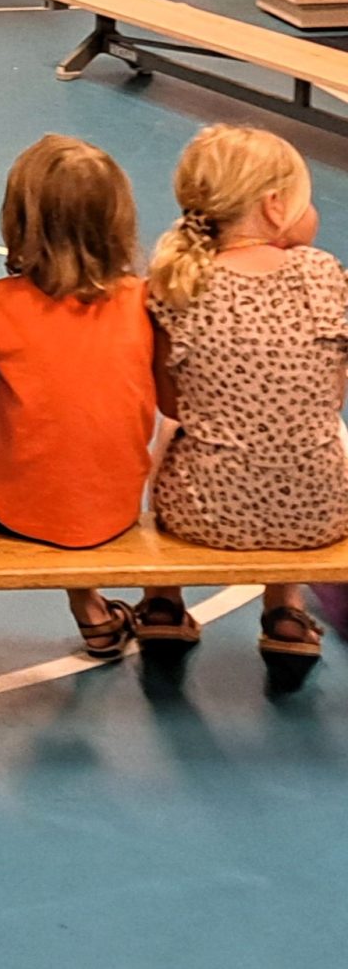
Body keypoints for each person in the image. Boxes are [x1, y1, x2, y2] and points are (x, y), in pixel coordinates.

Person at [133, 126, 348, 682]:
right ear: (275, 208)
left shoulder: (173, 284)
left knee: (173, 436)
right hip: (319, 514)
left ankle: (161, 599)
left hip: (206, 514)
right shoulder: (323, 274)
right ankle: (286, 609)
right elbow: (332, 391)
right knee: (306, 431)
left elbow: (170, 401)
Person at [0, 136, 154, 659]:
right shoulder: (143, 301)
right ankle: (91, 609)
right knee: (66, 443)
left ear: (19, 220)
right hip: (115, 504)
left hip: (15, 507)